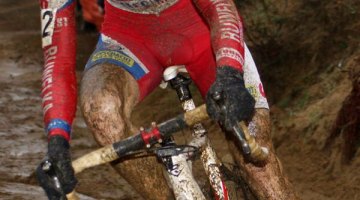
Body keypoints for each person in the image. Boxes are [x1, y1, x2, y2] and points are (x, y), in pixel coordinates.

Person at [36, 0, 299, 199]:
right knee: (101, 111)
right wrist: (57, 142)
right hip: (128, 40)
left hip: (201, 31)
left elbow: (221, 8)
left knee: (254, 152)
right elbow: (57, 60)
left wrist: (229, 73)